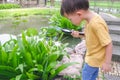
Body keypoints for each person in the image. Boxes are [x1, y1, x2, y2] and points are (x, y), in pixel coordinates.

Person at [60, 0, 113, 80]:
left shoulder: (96, 24)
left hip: (93, 59)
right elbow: (92, 36)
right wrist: (79, 35)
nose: (70, 22)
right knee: (92, 76)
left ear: (79, 14)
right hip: (93, 58)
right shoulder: (90, 19)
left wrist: (107, 63)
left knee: (86, 75)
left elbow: (108, 43)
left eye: (70, 19)